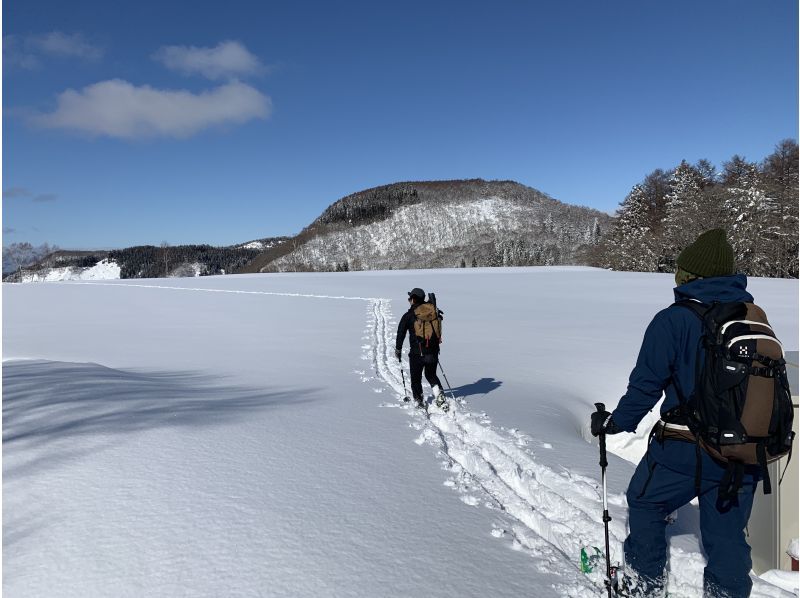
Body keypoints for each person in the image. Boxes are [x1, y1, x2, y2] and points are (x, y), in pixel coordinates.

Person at [591, 229, 759, 598]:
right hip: (744, 453)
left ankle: (644, 585)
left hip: (686, 447)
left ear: (689, 276)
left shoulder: (673, 319)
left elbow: (647, 384)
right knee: (727, 537)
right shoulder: (751, 316)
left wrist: (616, 423)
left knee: (645, 502)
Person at [395, 287, 447, 410]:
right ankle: (439, 396)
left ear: (413, 299)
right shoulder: (432, 311)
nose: (409, 300)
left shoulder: (408, 316)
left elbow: (401, 333)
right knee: (431, 375)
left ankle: (419, 401)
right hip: (432, 351)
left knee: (416, 378)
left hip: (416, 353)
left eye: (409, 298)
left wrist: (398, 349)